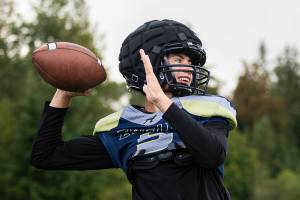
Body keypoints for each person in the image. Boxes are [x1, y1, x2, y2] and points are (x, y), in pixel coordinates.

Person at [31, 19, 237, 200]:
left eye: (190, 62)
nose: (189, 68)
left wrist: (163, 103)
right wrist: (63, 94)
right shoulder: (123, 128)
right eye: (178, 59)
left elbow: (213, 155)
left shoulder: (207, 112)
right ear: (146, 65)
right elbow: (46, 156)